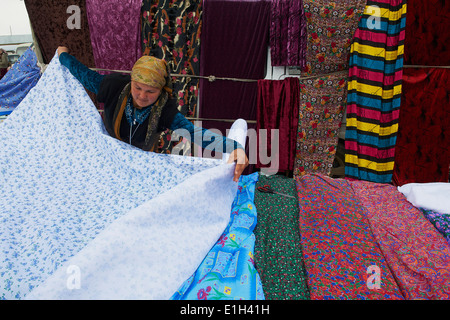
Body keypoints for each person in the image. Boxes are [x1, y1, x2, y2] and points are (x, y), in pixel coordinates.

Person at [57, 46, 248, 182]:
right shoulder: (112, 87)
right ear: (130, 81)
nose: (142, 96)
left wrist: (234, 147)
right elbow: (81, 73)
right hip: (106, 157)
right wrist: (62, 54)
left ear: (162, 90)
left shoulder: (164, 110)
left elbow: (195, 134)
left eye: (151, 92)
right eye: (137, 88)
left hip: (139, 164)